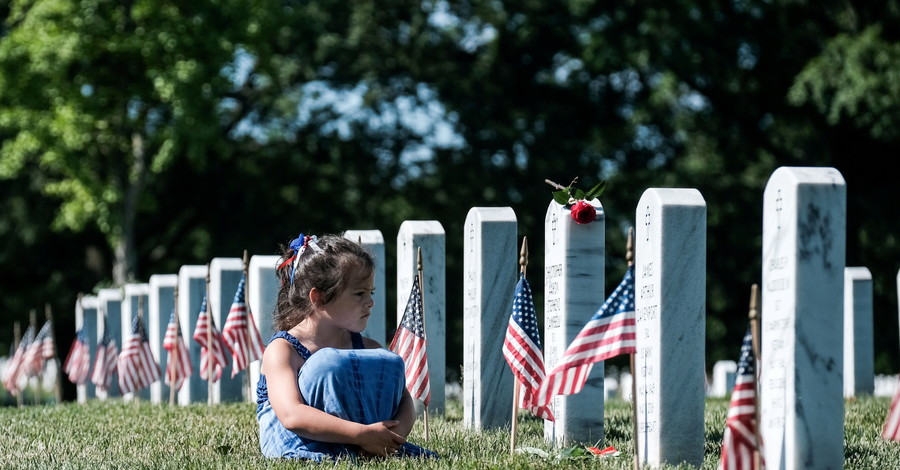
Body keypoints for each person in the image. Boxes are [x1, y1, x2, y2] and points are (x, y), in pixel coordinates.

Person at [256, 233, 437, 461]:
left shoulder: (368, 348)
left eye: (370, 293)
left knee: (387, 361)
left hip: (368, 442)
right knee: (327, 364)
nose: (370, 302)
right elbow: (292, 415)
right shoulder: (283, 349)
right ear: (319, 297)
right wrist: (361, 435)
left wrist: (392, 436)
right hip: (299, 444)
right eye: (359, 293)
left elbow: (404, 399)